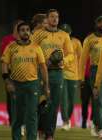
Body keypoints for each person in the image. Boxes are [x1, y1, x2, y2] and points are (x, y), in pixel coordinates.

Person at [1, 22, 49, 140]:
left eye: (27, 30)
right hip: (16, 85)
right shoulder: (11, 47)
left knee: (32, 115)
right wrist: (7, 81)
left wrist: (46, 85)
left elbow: (43, 67)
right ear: (18, 33)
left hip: (33, 84)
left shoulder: (36, 47)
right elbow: (4, 64)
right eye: (22, 30)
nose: (26, 32)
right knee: (18, 116)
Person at [32, 9, 74, 140]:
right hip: (41, 71)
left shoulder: (64, 35)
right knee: (41, 103)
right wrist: (43, 62)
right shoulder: (38, 34)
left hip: (57, 72)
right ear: (47, 19)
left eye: (57, 16)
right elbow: (31, 50)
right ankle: (39, 131)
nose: (55, 19)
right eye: (52, 17)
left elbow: (71, 54)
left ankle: (49, 134)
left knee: (54, 104)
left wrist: (63, 61)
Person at [80, 15, 102, 138]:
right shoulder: (89, 39)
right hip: (95, 70)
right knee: (98, 100)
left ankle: (94, 122)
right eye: (100, 22)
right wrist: (81, 78)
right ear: (96, 24)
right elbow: (82, 60)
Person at [59, 24, 82, 131]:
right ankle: (65, 121)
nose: (65, 35)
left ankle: (67, 118)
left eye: (66, 33)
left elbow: (81, 58)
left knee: (71, 100)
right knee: (63, 99)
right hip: (61, 74)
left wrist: (82, 75)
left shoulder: (76, 42)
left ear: (70, 33)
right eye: (63, 32)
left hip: (73, 75)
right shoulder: (58, 42)